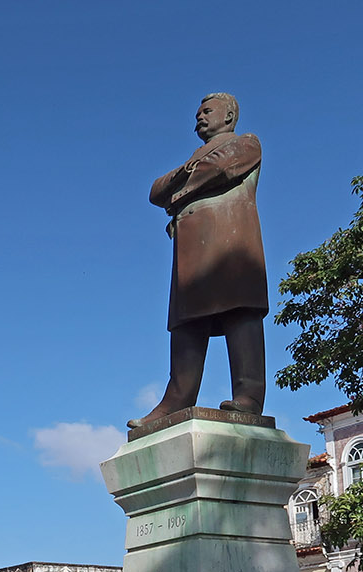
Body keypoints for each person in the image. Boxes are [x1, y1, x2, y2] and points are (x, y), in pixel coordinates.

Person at [131, 92, 269, 431]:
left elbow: (218, 168)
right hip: (191, 255)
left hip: (231, 243)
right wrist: (186, 173)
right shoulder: (192, 160)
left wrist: (179, 191)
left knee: (240, 313)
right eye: (198, 113)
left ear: (229, 116)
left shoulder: (246, 142)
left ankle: (248, 396)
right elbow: (156, 191)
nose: (200, 117)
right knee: (187, 323)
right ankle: (177, 399)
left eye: (207, 111)